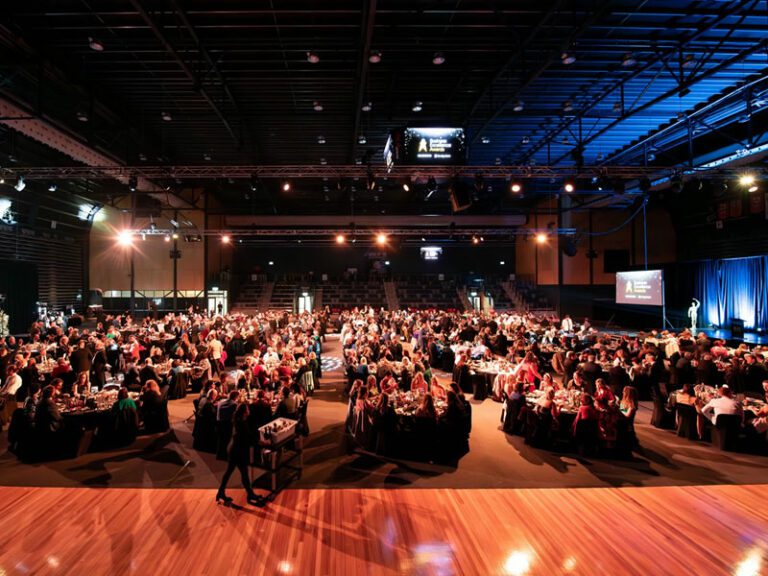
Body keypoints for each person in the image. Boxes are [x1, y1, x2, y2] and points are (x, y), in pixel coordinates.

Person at [216, 403, 258, 505]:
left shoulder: (239, 420)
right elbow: (247, 437)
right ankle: (250, 494)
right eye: (247, 409)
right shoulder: (241, 423)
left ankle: (221, 492)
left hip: (234, 449)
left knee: (230, 472)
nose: (249, 411)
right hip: (237, 451)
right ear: (244, 412)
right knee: (243, 473)